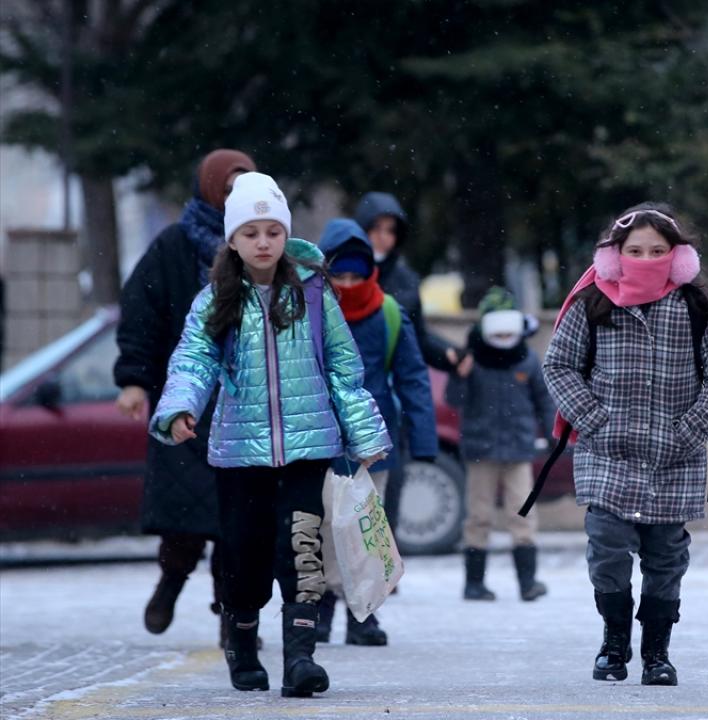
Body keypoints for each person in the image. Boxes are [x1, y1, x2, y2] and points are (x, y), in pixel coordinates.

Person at [149, 172, 392, 698]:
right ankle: (241, 647)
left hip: (309, 448)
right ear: (233, 239)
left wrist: (365, 432)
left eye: (272, 231)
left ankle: (300, 660)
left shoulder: (312, 292)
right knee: (245, 554)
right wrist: (179, 409)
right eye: (251, 232)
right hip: (240, 454)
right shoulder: (216, 298)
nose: (263, 242)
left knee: (302, 550)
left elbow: (343, 368)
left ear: (285, 235)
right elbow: (193, 361)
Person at [542, 202, 708, 687]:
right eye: (635, 250)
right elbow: (559, 365)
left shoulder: (699, 309)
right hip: (606, 453)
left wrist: (690, 431)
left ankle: (657, 652)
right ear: (615, 254)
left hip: (676, 459)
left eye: (658, 250)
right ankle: (614, 643)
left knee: (666, 558)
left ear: (678, 255)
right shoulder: (593, 303)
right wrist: (595, 421)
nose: (646, 258)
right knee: (607, 550)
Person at [114, 149, 256, 645]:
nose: (238, 195)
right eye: (230, 185)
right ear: (211, 187)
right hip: (185, 402)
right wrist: (133, 379)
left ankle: (232, 620)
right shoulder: (173, 246)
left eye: (247, 184)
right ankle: (171, 582)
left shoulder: (259, 245)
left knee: (239, 523)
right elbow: (140, 313)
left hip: (243, 406)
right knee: (186, 518)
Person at [315, 218, 439, 645]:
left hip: (373, 445)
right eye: (339, 276)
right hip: (315, 440)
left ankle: (363, 615)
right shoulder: (306, 312)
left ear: (370, 274)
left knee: (368, 529)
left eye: (356, 276)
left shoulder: (387, 312)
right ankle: (318, 613)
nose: (347, 285)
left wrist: (424, 439)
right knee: (319, 528)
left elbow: (413, 377)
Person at [445, 286, 552, 603]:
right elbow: (454, 400)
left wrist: (553, 432)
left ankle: (527, 582)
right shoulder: (472, 360)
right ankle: (474, 582)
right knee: (479, 515)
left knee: (523, 513)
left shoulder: (527, 359)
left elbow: (543, 400)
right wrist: (459, 375)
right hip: (481, 451)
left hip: (518, 449)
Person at [353, 191, 466, 373]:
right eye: (376, 228)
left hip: (390, 380)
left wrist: (447, 354)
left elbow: (416, 337)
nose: (382, 237)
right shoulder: (341, 272)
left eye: (390, 230)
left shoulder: (406, 281)